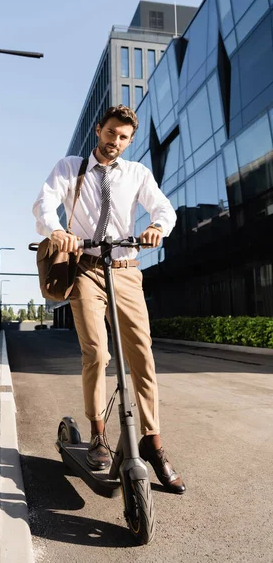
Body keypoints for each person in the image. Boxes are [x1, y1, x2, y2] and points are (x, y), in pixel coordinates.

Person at [32, 105, 185, 494]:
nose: (115, 142)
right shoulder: (71, 167)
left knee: (142, 357)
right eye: (110, 133)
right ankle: (98, 434)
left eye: (123, 138)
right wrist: (56, 231)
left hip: (126, 270)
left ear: (129, 141)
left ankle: (153, 443)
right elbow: (45, 203)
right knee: (97, 354)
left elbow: (164, 208)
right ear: (99, 129)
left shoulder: (137, 174)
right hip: (85, 268)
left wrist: (155, 226)